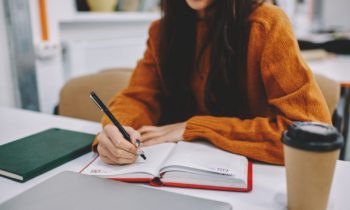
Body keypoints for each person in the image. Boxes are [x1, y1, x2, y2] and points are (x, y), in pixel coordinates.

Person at [92, 0, 331, 166]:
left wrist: (195, 128)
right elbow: (137, 98)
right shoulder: (161, 31)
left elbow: (312, 131)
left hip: (258, 177)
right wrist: (118, 133)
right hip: (174, 173)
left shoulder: (266, 24)